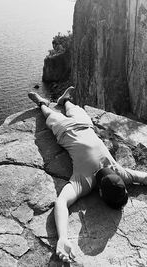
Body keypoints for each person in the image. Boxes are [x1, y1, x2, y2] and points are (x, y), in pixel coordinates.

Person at [28, 87, 147, 263]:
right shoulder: (118, 173)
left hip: (64, 130)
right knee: (74, 109)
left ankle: (42, 103)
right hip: (85, 125)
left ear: (100, 193)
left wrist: (62, 237)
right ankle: (64, 100)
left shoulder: (86, 180)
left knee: (49, 114)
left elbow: (61, 202)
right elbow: (144, 177)